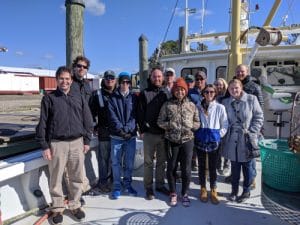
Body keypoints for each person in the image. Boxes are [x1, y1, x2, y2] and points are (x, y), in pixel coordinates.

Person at [36, 66, 93, 224]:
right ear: (57, 80)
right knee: (56, 178)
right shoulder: (49, 98)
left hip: (77, 143)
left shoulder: (78, 97)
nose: (64, 81)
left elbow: (87, 120)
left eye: (67, 79)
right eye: (61, 78)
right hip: (57, 144)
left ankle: (75, 204)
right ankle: (57, 208)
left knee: (76, 176)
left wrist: (87, 141)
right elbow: (43, 124)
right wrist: (44, 146)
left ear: (71, 80)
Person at [158, 77, 200, 207]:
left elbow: (197, 121)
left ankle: (185, 193)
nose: (179, 92)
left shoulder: (191, 105)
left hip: (188, 141)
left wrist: (192, 127)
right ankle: (173, 193)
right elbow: (160, 121)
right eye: (177, 89)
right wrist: (170, 125)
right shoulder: (167, 104)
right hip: (172, 141)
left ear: (185, 91)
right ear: (173, 91)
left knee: (186, 168)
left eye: (182, 89)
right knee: (172, 168)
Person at [222, 79, 263, 203]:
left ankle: (246, 191)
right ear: (228, 90)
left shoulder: (251, 99)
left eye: (236, 88)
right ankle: (234, 191)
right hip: (232, 139)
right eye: (231, 88)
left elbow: (259, 116)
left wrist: (252, 132)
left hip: (247, 139)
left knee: (248, 167)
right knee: (234, 167)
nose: (234, 90)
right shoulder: (225, 102)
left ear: (241, 88)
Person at [137, 66, 169, 200]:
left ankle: (160, 184)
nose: (157, 78)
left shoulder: (166, 93)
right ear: (151, 77)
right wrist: (142, 130)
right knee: (148, 162)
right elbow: (139, 113)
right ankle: (148, 187)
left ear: (163, 78)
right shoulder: (144, 93)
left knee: (162, 162)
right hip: (149, 134)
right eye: (155, 76)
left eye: (159, 76)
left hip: (163, 134)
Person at [194, 84, 228, 204]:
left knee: (213, 167)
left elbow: (225, 124)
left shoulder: (220, 107)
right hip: (201, 140)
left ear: (215, 93)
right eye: (207, 92)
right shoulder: (197, 107)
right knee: (202, 166)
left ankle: (213, 189)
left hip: (214, 140)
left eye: (212, 92)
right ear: (203, 93)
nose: (209, 94)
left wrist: (219, 135)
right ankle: (203, 188)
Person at [108, 72, 138, 199]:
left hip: (130, 137)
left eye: (127, 82)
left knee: (129, 163)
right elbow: (112, 117)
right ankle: (116, 187)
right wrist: (121, 131)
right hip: (116, 137)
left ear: (130, 84)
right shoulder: (112, 98)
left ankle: (128, 184)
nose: (125, 84)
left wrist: (128, 130)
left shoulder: (134, 98)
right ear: (119, 83)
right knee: (115, 163)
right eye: (123, 82)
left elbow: (135, 116)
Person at [90, 70, 117, 193]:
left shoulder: (118, 93)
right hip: (104, 132)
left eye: (112, 77)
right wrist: (95, 127)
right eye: (107, 78)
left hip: (117, 133)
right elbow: (91, 113)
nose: (109, 80)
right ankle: (103, 182)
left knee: (115, 159)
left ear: (115, 80)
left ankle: (114, 181)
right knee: (103, 160)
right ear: (104, 80)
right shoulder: (97, 94)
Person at [188, 71, 207, 171]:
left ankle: (204, 167)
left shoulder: (209, 90)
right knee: (193, 145)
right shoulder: (190, 92)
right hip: (194, 123)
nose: (199, 81)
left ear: (205, 79)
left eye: (201, 79)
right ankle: (193, 162)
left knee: (204, 147)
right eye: (197, 79)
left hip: (206, 124)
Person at [214, 78, 230, 175]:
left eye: (221, 84)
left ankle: (226, 165)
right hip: (216, 125)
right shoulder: (213, 96)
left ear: (224, 85)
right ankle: (218, 165)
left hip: (226, 123)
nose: (219, 86)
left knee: (226, 146)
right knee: (218, 146)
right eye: (217, 84)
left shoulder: (228, 96)